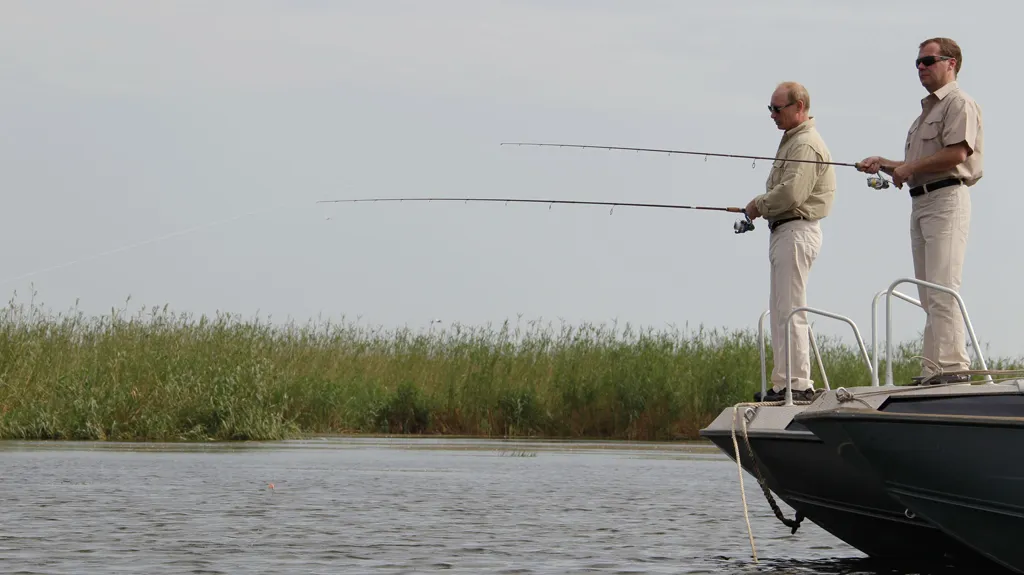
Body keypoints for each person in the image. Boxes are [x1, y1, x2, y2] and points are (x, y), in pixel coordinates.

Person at [857, 37, 983, 385]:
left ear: (951, 63)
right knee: (928, 292)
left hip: (947, 200)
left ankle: (954, 369)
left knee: (943, 287)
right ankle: (935, 369)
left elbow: (957, 153)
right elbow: (915, 164)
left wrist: (909, 169)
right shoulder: (923, 114)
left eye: (928, 61)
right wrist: (884, 164)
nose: (921, 68)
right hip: (921, 202)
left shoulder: (960, 103)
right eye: (918, 63)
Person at [747, 81, 836, 402]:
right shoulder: (792, 142)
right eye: (770, 108)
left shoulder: (805, 144)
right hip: (785, 231)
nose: (772, 115)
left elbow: (792, 193)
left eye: (777, 108)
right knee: (781, 307)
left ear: (799, 107)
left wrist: (758, 204)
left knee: (791, 307)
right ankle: (783, 382)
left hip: (797, 230)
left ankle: (797, 384)